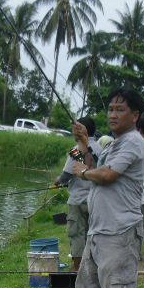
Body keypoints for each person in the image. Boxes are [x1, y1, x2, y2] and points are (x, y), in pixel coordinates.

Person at [63, 88, 144, 288]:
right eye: (110, 108)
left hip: (120, 232)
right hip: (97, 231)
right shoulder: (112, 144)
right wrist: (83, 142)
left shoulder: (133, 143)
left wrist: (81, 173)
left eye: (120, 109)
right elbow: (93, 165)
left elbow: (106, 175)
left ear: (134, 115)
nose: (112, 114)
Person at [52, 116, 102, 270]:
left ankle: (77, 269)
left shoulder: (77, 149)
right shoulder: (100, 148)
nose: (73, 131)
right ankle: (91, 266)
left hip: (78, 200)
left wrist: (58, 181)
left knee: (77, 234)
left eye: (75, 128)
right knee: (91, 234)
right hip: (96, 200)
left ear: (82, 130)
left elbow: (66, 175)